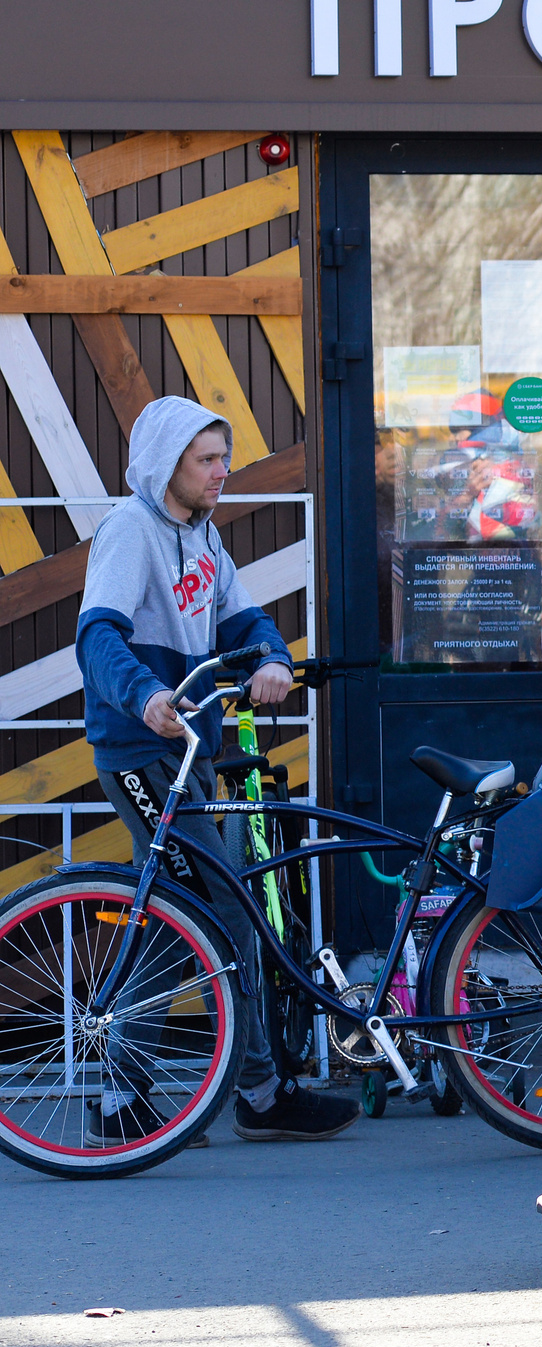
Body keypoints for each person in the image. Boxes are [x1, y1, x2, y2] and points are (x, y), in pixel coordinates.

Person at [78, 396, 358, 1142]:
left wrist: (272, 658)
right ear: (165, 463)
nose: (221, 471)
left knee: (175, 920)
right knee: (224, 908)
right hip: (142, 751)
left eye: (223, 458)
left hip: (189, 754)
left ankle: (120, 1099)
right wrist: (146, 696)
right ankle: (262, 1093)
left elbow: (245, 620)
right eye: (206, 459)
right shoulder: (130, 530)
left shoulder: (203, 536)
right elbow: (97, 636)